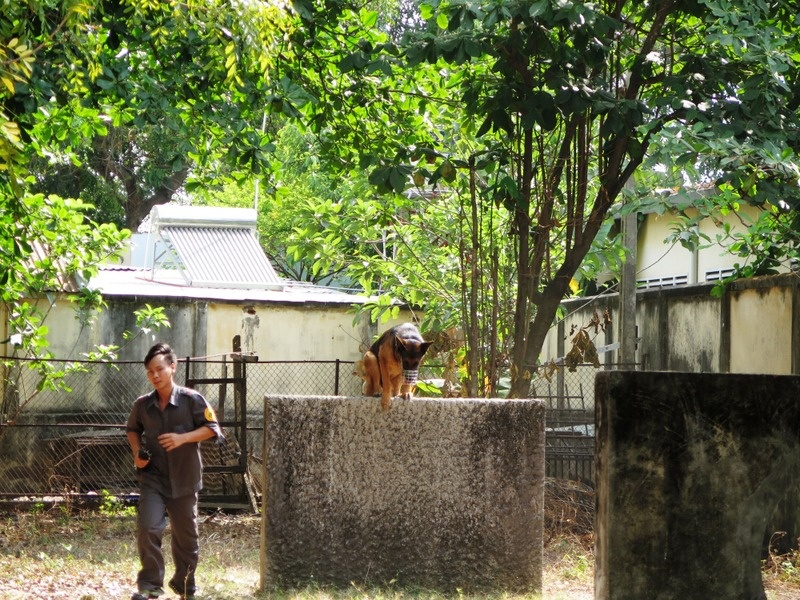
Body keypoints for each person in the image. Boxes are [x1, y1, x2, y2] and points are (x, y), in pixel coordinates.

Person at [126, 343, 224, 600]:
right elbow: (133, 429)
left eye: (159, 369)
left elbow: (213, 429)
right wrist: (137, 453)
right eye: (149, 372)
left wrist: (184, 438)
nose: (155, 375)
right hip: (153, 478)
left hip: (185, 479)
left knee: (186, 540)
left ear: (173, 366)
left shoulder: (192, 400)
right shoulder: (142, 405)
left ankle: (185, 586)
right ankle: (149, 586)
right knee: (148, 528)